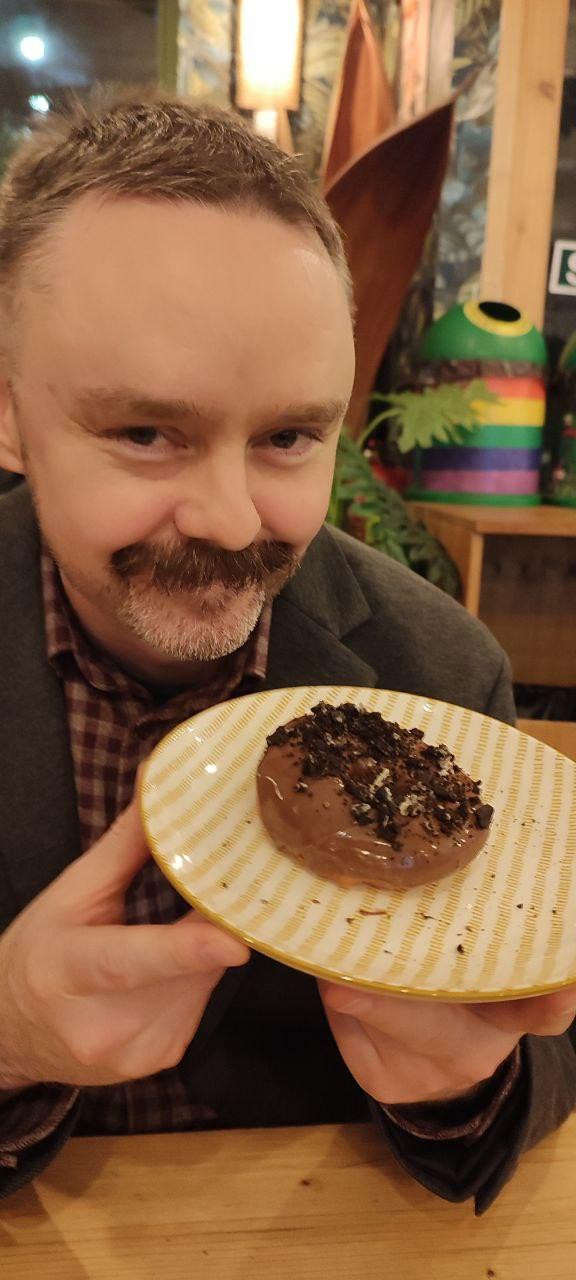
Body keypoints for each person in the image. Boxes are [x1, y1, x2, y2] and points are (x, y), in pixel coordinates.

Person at [0, 89, 574, 1213]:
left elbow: (556, 1031)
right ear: (11, 413)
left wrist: (463, 1083)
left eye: (288, 436)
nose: (227, 516)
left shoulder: (441, 670)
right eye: (145, 432)